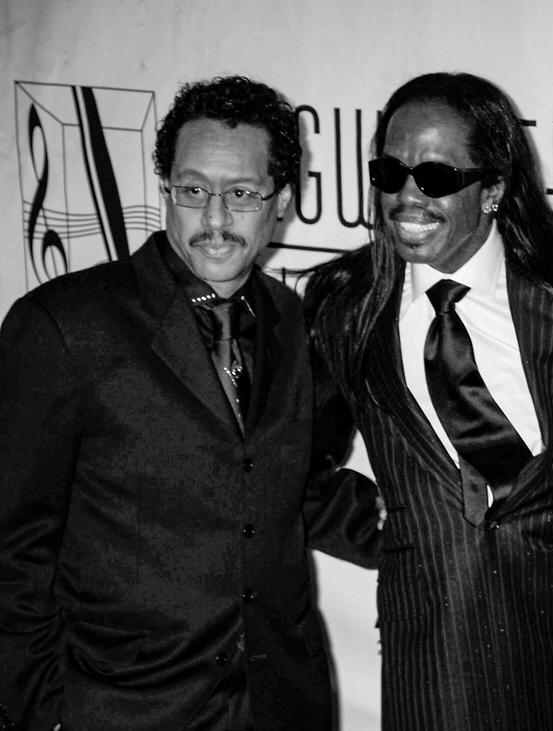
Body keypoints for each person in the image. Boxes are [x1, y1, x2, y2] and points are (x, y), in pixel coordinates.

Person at [0, 76, 379, 731]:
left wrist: (425, 525)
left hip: (280, 704)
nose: (215, 219)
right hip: (123, 709)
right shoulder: (65, 326)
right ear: (165, 190)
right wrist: (45, 712)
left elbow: (292, 486)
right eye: (194, 190)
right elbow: (11, 545)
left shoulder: (290, 321)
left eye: (242, 194)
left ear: (282, 202)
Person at [304, 72, 553, 731]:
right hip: (432, 663)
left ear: (493, 189)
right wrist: (397, 531)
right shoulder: (345, 305)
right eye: (390, 172)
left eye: (435, 177)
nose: (407, 196)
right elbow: (292, 466)